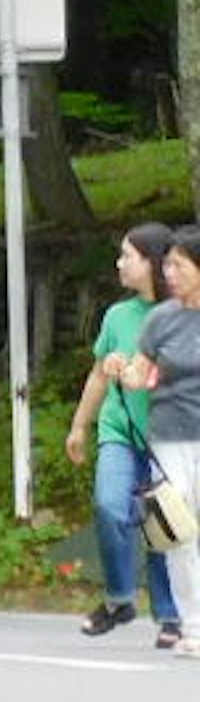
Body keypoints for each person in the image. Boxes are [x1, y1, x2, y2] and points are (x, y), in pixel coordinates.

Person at [65, 224, 175, 638]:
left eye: (128, 255)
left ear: (153, 263)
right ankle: (120, 597)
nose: (120, 263)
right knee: (110, 506)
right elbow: (97, 376)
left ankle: (169, 614)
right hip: (120, 429)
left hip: (168, 436)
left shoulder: (182, 315)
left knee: (162, 523)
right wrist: (79, 426)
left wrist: (140, 375)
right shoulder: (116, 315)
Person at [143, 237, 200, 650]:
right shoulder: (160, 319)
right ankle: (193, 624)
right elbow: (139, 370)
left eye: (179, 266)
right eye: (167, 266)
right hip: (169, 434)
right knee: (178, 526)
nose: (169, 274)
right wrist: (123, 370)